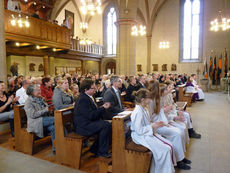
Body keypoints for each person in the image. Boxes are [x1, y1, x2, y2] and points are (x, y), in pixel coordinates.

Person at [148, 80, 191, 170]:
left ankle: (181, 157)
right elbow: (151, 118)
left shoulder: (158, 99)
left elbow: (162, 114)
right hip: (157, 125)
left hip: (163, 122)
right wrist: (165, 114)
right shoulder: (151, 101)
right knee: (176, 134)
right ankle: (179, 161)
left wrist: (169, 116)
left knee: (179, 132)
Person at [131, 89, 175, 173]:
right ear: (143, 100)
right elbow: (139, 130)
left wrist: (155, 124)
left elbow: (147, 123)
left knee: (169, 146)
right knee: (165, 150)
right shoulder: (137, 112)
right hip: (140, 136)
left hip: (146, 133)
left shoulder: (143, 108)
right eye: (149, 98)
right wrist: (152, 126)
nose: (150, 100)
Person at [73, 79, 112, 158]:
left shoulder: (89, 97)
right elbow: (91, 115)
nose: (95, 90)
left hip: (88, 122)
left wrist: (102, 108)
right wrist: (103, 108)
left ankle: (95, 149)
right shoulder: (83, 99)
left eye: (95, 88)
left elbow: (92, 113)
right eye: (93, 88)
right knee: (106, 125)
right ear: (86, 90)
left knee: (108, 124)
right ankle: (101, 152)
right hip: (83, 126)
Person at [24, 84, 55, 153]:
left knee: (54, 127)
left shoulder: (41, 98)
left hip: (44, 119)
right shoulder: (28, 102)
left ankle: (55, 148)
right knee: (58, 119)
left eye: (39, 89)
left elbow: (46, 108)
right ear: (31, 92)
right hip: (35, 122)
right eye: (37, 90)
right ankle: (66, 143)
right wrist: (46, 110)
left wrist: (50, 109)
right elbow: (33, 115)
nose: (39, 91)